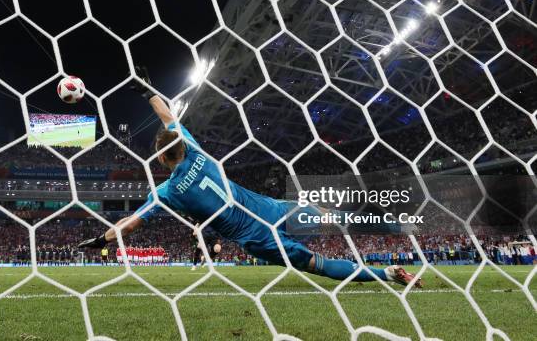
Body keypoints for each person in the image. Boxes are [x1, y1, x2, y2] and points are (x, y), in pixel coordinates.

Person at [78, 69, 422, 288]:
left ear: (163, 159)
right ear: (181, 144)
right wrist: (146, 91)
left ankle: (387, 275)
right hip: (271, 209)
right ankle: (397, 226)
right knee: (332, 219)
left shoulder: (167, 192)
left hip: (257, 237)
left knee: (316, 264)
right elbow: (169, 116)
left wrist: (104, 239)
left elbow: (132, 223)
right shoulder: (195, 149)